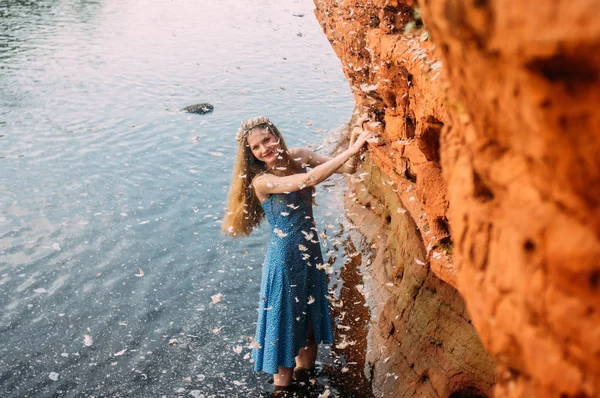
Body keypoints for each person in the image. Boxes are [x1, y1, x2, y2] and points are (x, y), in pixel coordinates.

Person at [222, 116, 372, 396]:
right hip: (284, 261)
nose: (264, 148)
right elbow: (308, 179)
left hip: (310, 255)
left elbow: (349, 167)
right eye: (256, 147)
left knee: (309, 326)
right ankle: (282, 389)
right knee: (286, 326)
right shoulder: (262, 182)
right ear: (251, 155)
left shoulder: (300, 156)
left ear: (276, 135)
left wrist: (355, 137)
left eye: (266, 139)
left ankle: (306, 379)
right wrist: (351, 149)